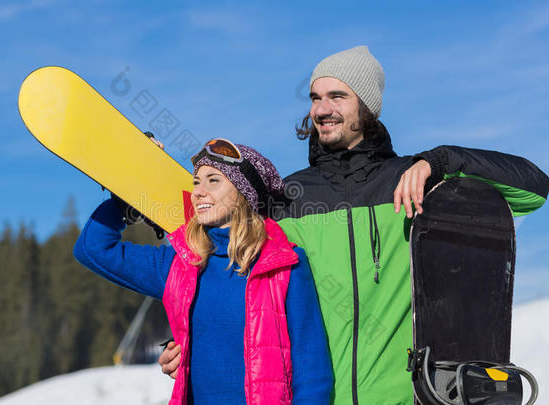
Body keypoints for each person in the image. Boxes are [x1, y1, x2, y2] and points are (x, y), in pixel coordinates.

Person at [159, 46, 549, 404]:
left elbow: (533, 188)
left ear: (368, 106)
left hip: (405, 396)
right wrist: (189, 336)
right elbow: (227, 271)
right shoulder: (286, 199)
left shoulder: (413, 182)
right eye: (315, 98)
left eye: (337, 96)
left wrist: (440, 161)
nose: (322, 109)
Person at [73, 138, 333, 404]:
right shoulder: (179, 264)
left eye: (213, 180)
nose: (198, 192)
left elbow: (312, 372)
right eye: (196, 182)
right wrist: (124, 197)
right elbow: (93, 249)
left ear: (243, 193)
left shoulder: (284, 264)